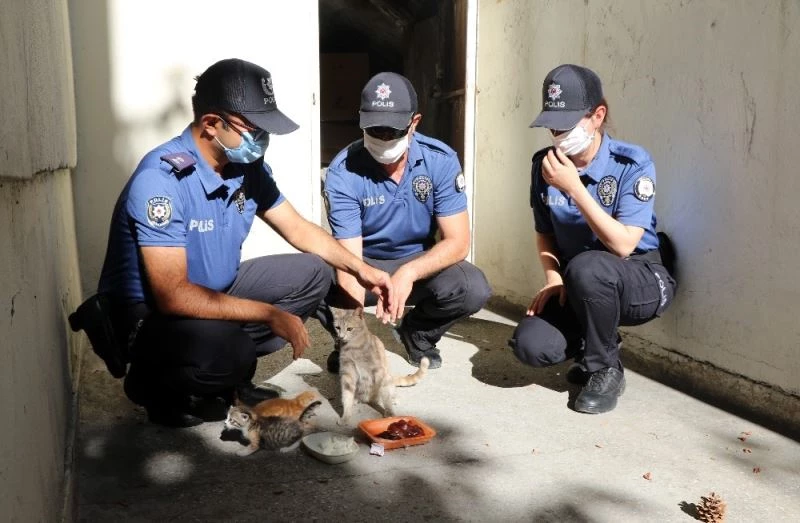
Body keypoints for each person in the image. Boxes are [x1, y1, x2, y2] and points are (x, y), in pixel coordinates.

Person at [81, 58, 394, 428]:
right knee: (233, 350)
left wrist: (362, 270)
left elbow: (299, 229)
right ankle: (156, 386)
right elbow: (172, 295)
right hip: (152, 316)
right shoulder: (160, 181)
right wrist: (269, 313)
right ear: (212, 124)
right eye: (255, 128)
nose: (263, 138)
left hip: (212, 291)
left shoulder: (247, 168)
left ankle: (224, 379)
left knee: (314, 271)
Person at [509, 64, 677, 414]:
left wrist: (574, 188)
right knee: (530, 345)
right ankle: (596, 339)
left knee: (588, 268)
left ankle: (604, 368)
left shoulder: (631, 163)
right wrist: (553, 278)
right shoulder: (544, 165)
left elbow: (623, 245)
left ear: (597, 115)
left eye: (568, 124)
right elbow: (544, 232)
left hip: (640, 279)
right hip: (577, 282)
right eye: (553, 125)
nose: (558, 133)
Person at [322, 72, 491, 371]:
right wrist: (354, 337)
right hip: (365, 265)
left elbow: (458, 241)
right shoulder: (343, 172)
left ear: (414, 123)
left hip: (418, 262)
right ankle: (345, 341)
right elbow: (349, 261)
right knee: (313, 280)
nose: (384, 138)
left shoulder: (439, 161)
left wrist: (409, 272)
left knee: (472, 286)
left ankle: (418, 332)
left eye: (393, 130)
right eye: (375, 129)